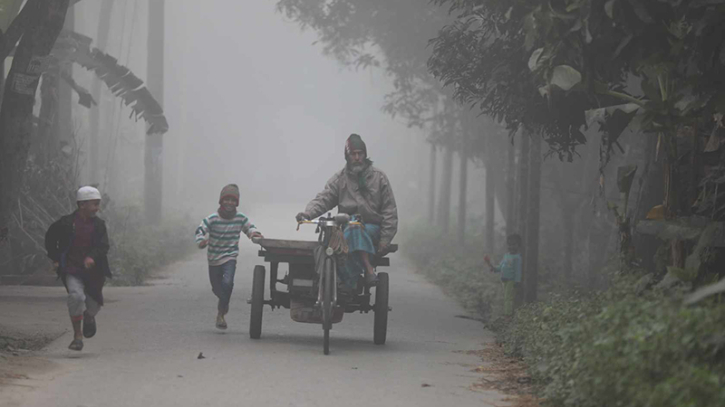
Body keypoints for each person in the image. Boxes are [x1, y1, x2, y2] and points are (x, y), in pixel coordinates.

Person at [296, 133, 398, 288]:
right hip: (345, 227)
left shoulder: (379, 178)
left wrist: (385, 240)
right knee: (343, 231)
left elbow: (390, 211)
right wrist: (307, 213)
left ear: (365, 155)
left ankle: (347, 279)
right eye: (353, 154)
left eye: (360, 154)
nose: (357, 157)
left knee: (354, 227)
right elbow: (324, 198)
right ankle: (366, 270)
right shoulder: (340, 179)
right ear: (347, 156)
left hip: (371, 230)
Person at [45, 186, 111, 351]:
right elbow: (50, 238)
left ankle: (89, 317)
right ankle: (77, 336)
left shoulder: (99, 225)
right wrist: (55, 258)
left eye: (98, 204)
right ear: (82, 205)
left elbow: (103, 246)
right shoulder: (66, 223)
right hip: (71, 269)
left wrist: (92, 257)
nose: (97, 208)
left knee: (94, 304)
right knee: (76, 297)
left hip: (94, 273)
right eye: (94, 204)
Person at [195, 184, 263, 330]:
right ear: (221, 201)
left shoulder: (240, 218)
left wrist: (254, 234)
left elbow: (249, 227)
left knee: (228, 283)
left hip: (230, 257)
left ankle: (221, 313)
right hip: (213, 258)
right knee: (217, 289)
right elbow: (200, 230)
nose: (230, 203)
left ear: (237, 203)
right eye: (227, 199)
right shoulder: (212, 219)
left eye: (233, 200)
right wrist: (201, 241)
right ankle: (223, 303)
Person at [485, 234, 522, 317]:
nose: (511, 247)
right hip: (504, 280)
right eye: (509, 245)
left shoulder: (517, 258)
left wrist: (517, 281)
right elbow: (500, 267)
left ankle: (508, 315)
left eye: (514, 245)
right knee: (506, 297)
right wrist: (493, 267)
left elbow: (518, 271)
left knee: (508, 298)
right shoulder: (506, 255)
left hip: (511, 281)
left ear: (518, 245)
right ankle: (507, 313)